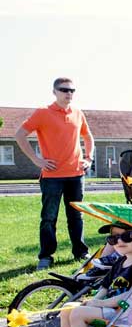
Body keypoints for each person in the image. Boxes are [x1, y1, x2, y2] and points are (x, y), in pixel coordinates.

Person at [15, 77, 94, 270]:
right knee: (49, 218)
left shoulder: (77, 112)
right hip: (52, 177)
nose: (69, 93)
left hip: (76, 174)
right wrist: (37, 160)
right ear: (54, 91)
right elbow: (20, 135)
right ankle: (46, 256)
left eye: (72, 90)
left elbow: (87, 135)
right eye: (64, 90)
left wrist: (89, 158)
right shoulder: (43, 113)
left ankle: (81, 252)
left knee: (76, 216)